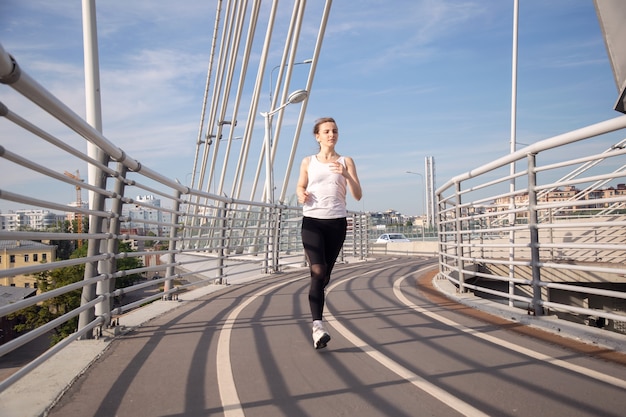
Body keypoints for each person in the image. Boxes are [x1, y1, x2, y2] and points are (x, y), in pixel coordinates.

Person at [296, 117, 362, 349]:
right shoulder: (307, 162)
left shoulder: (346, 161)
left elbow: (358, 195)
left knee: (324, 277)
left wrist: (345, 174)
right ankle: (318, 327)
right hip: (313, 221)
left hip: (337, 223)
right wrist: (300, 194)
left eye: (334, 131)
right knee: (318, 270)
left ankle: (318, 296)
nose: (331, 134)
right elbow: (300, 186)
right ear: (318, 136)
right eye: (326, 131)